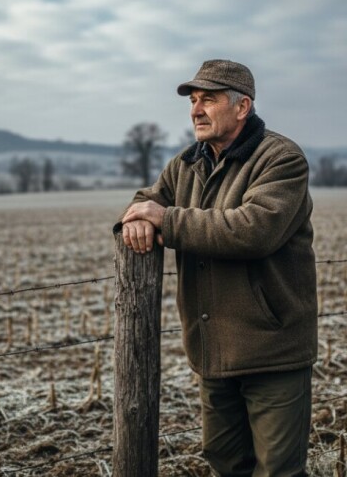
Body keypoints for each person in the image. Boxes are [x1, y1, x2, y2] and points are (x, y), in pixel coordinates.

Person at [115, 59, 317, 477]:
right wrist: (134, 219)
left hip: (271, 350)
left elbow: (253, 229)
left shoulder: (281, 159)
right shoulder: (187, 163)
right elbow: (146, 198)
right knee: (226, 466)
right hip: (212, 351)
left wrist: (164, 220)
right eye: (193, 100)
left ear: (242, 107)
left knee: (278, 471)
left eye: (208, 99)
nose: (196, 110)